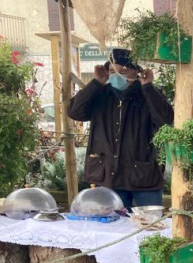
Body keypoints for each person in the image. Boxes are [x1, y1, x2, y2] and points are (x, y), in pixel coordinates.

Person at [68, 48, 173, 210]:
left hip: (143, 173)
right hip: (107, 173)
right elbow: (75, 112)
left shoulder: (148, 94)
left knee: (151, 221)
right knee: (112, 222)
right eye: (112, 71)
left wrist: (147, 86)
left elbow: (166, 120)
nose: (117, 76)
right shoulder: (100, 94)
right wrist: (96, 82)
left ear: (137, 72)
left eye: (123, 71)